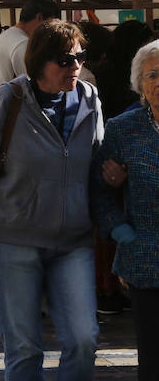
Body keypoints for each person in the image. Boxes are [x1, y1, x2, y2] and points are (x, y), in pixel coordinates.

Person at [0, 20, 103, 380]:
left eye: (80, 58)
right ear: (39, 61)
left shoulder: (89, 99)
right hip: (14, 241)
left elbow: (97, 163)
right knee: (24, 349)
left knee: (84, 340)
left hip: (74, 241)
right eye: (65, 60)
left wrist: (111, 173)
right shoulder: (9, 99)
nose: (75, 67)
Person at [91, 39, 159, 381]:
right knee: (152, 359)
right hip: (146, 257)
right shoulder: (123, 129)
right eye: (153, 75)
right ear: (140, 85)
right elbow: (99, 193)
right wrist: (121, 232)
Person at [0, 0, 59, 108]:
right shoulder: (22, 43)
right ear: (40, 17)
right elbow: (34, 86)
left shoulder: (2, 38)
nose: (50, 31)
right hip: (9, 115)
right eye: (51, 24)